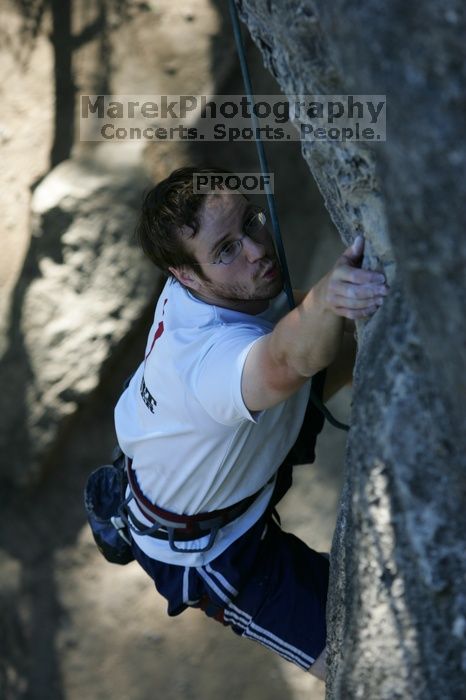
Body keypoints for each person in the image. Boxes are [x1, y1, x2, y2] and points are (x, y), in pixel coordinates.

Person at [114, 166, 388, 680]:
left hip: (208, 455)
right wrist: (329, 296)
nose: (256, 250)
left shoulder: (225, 286)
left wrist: (332, 303)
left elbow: (298, 334)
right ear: (187, 277)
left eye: (251, 221)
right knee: (363, 665)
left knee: (352, 339)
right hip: (210, 549)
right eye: (226, 250)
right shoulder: (206, 361)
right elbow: (283, 362)